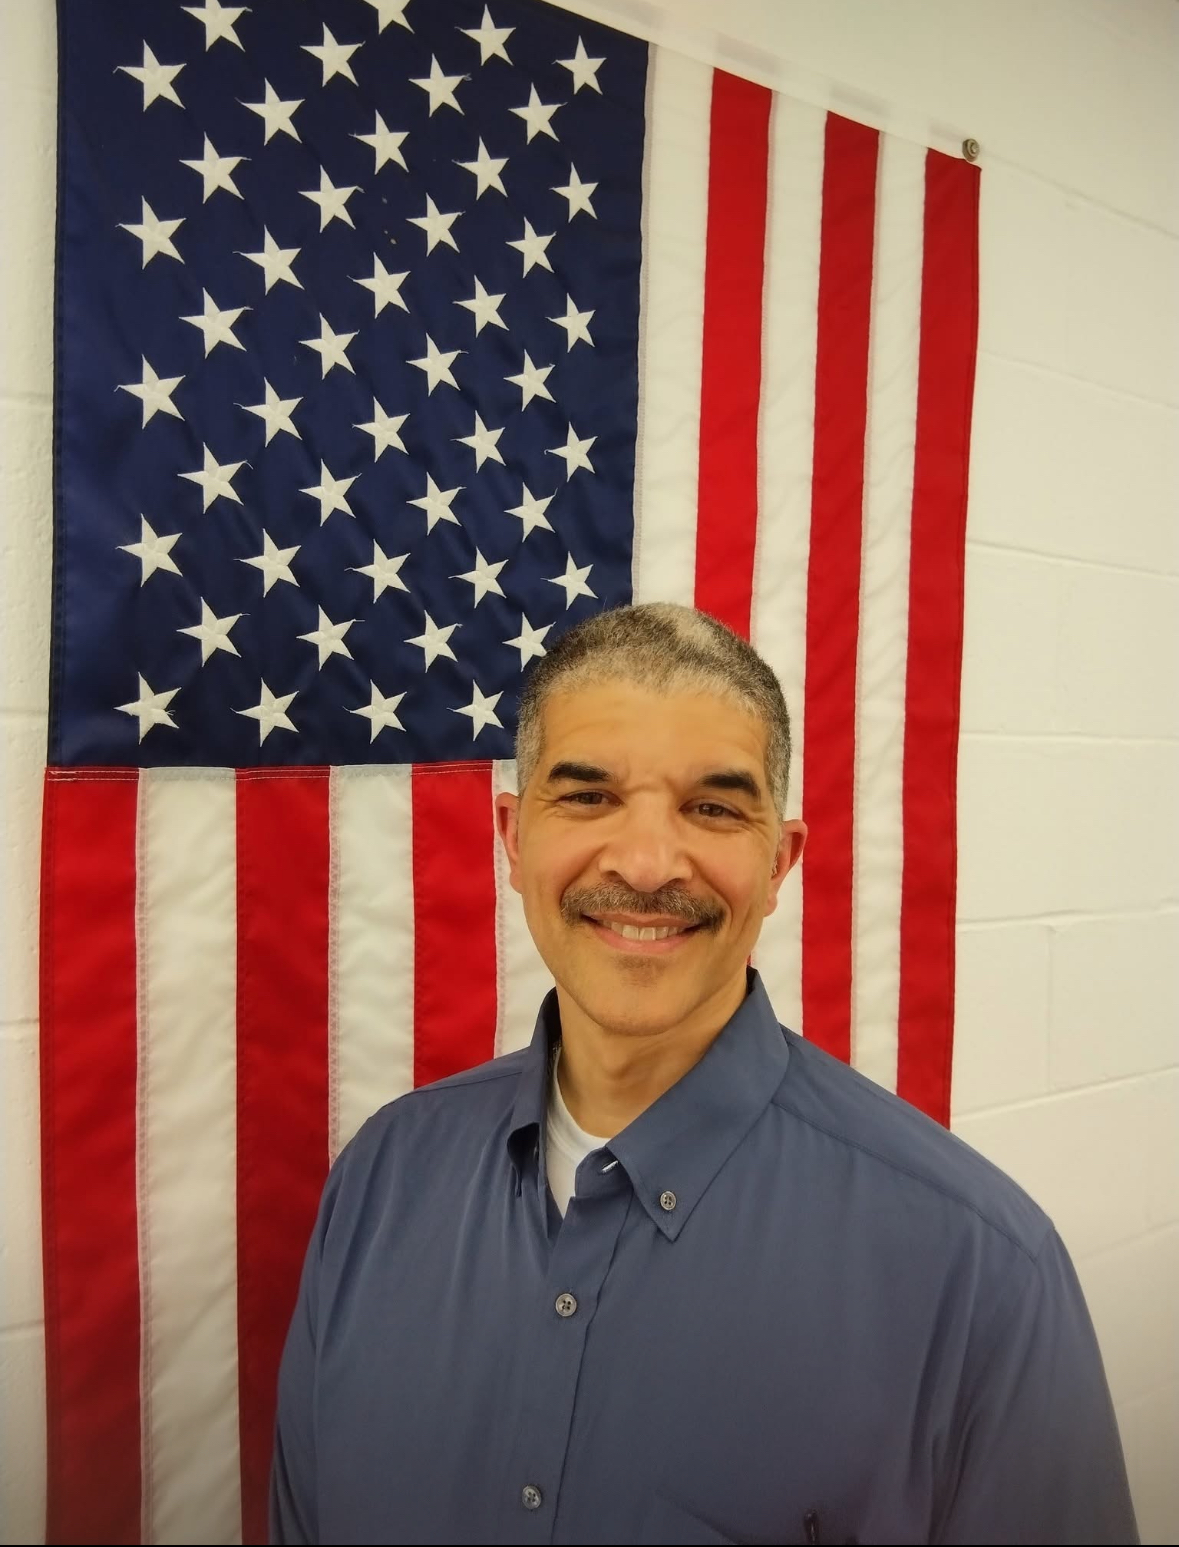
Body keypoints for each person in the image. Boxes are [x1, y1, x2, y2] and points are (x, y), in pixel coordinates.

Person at [271, 602, 1138, 1546]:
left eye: (713, 807)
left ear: (778, 863)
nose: (645, 864)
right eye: (589, 796)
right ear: (514, 840)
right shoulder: (380, 1179)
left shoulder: (982, 1274)